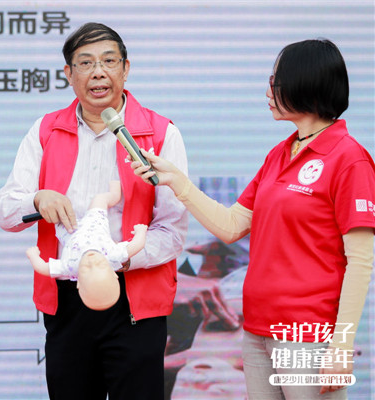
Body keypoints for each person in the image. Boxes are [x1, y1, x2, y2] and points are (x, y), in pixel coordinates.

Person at [131, 39, 375, 400]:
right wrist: (177, 181)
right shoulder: (279, 154)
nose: (267, 91)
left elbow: (361, 261)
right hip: (256, 330)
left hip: (307, 334)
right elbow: (231, 226)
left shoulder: (349, 159)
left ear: (305, 83)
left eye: (276, 81)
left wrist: (341, 346)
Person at [0, 22, 189, 399]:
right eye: (85, 63)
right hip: (67, 299)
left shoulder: (160, 133)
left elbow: (173, 231)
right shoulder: (45, 131)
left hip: (135, 301)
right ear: (68, 74)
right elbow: (5, 211)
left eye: (108, 61)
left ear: (126, 69)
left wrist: (119, 258)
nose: (98, 72)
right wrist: (37, 200)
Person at [26, 181, 148, 311]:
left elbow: (43, 268)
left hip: (69, 228)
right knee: (100, 199)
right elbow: (137, 245)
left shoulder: (71, 267)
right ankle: (115, 193)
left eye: (85, 269)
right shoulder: (113, 256)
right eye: (100, 265)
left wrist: (33, 256)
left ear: (78, 282)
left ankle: (60, 190)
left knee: (59, 210)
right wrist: (141, 232)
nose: (92, 261)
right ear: (114, 274)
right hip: (95, 221)